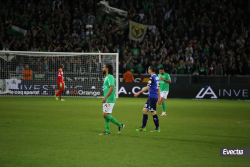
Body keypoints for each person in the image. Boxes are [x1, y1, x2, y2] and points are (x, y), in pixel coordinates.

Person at [134, 65, 161, 132]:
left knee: (153, 112)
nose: (148, 70)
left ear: (151, 70)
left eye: (148, 69)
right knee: (144, 111)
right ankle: (143, 127)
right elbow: (159, 88)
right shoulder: (157, 77)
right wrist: (159, 98)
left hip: (152, 97)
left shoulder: (152, 77)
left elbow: (147, 87)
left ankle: (157, 128)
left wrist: (139, 92)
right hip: (152, 97)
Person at [100, 64, 125, 135]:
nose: (102, 69)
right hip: (107, 98)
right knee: (105, 114)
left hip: (110, 98)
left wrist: (106, 97)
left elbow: (111, 88)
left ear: (107, 69)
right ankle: (108, 131)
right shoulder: (107, 77)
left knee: (105, 115)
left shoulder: (110, 77)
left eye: (103, 67)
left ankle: (120, 125)